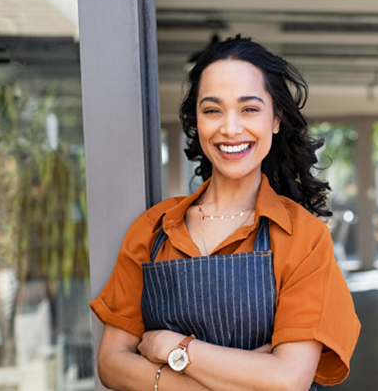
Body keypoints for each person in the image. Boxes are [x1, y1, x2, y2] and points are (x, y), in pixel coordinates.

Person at [90, 36, 360, 391]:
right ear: (197, 122)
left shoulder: (303, 237)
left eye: (249, 109)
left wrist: (175, 348)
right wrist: (244, 375)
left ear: (276, 119)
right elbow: (111, 363)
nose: (230, 128)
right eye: (212, 110)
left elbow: (288, 379)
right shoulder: (153, 229)